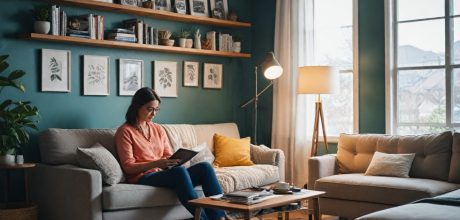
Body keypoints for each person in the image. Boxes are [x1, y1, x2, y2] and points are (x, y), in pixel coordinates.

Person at [115, 87, 225, 220]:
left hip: (163, 172)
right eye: (150, 109)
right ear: (137, 107)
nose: (154, 114)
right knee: (179, 173)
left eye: (156, 109)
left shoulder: (158, 129)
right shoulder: (125, 132)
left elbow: (167, 154)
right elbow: (128, 167)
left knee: (205, 168)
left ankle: (219, 217)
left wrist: (176, 159)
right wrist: (157, 163)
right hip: (143, 177)